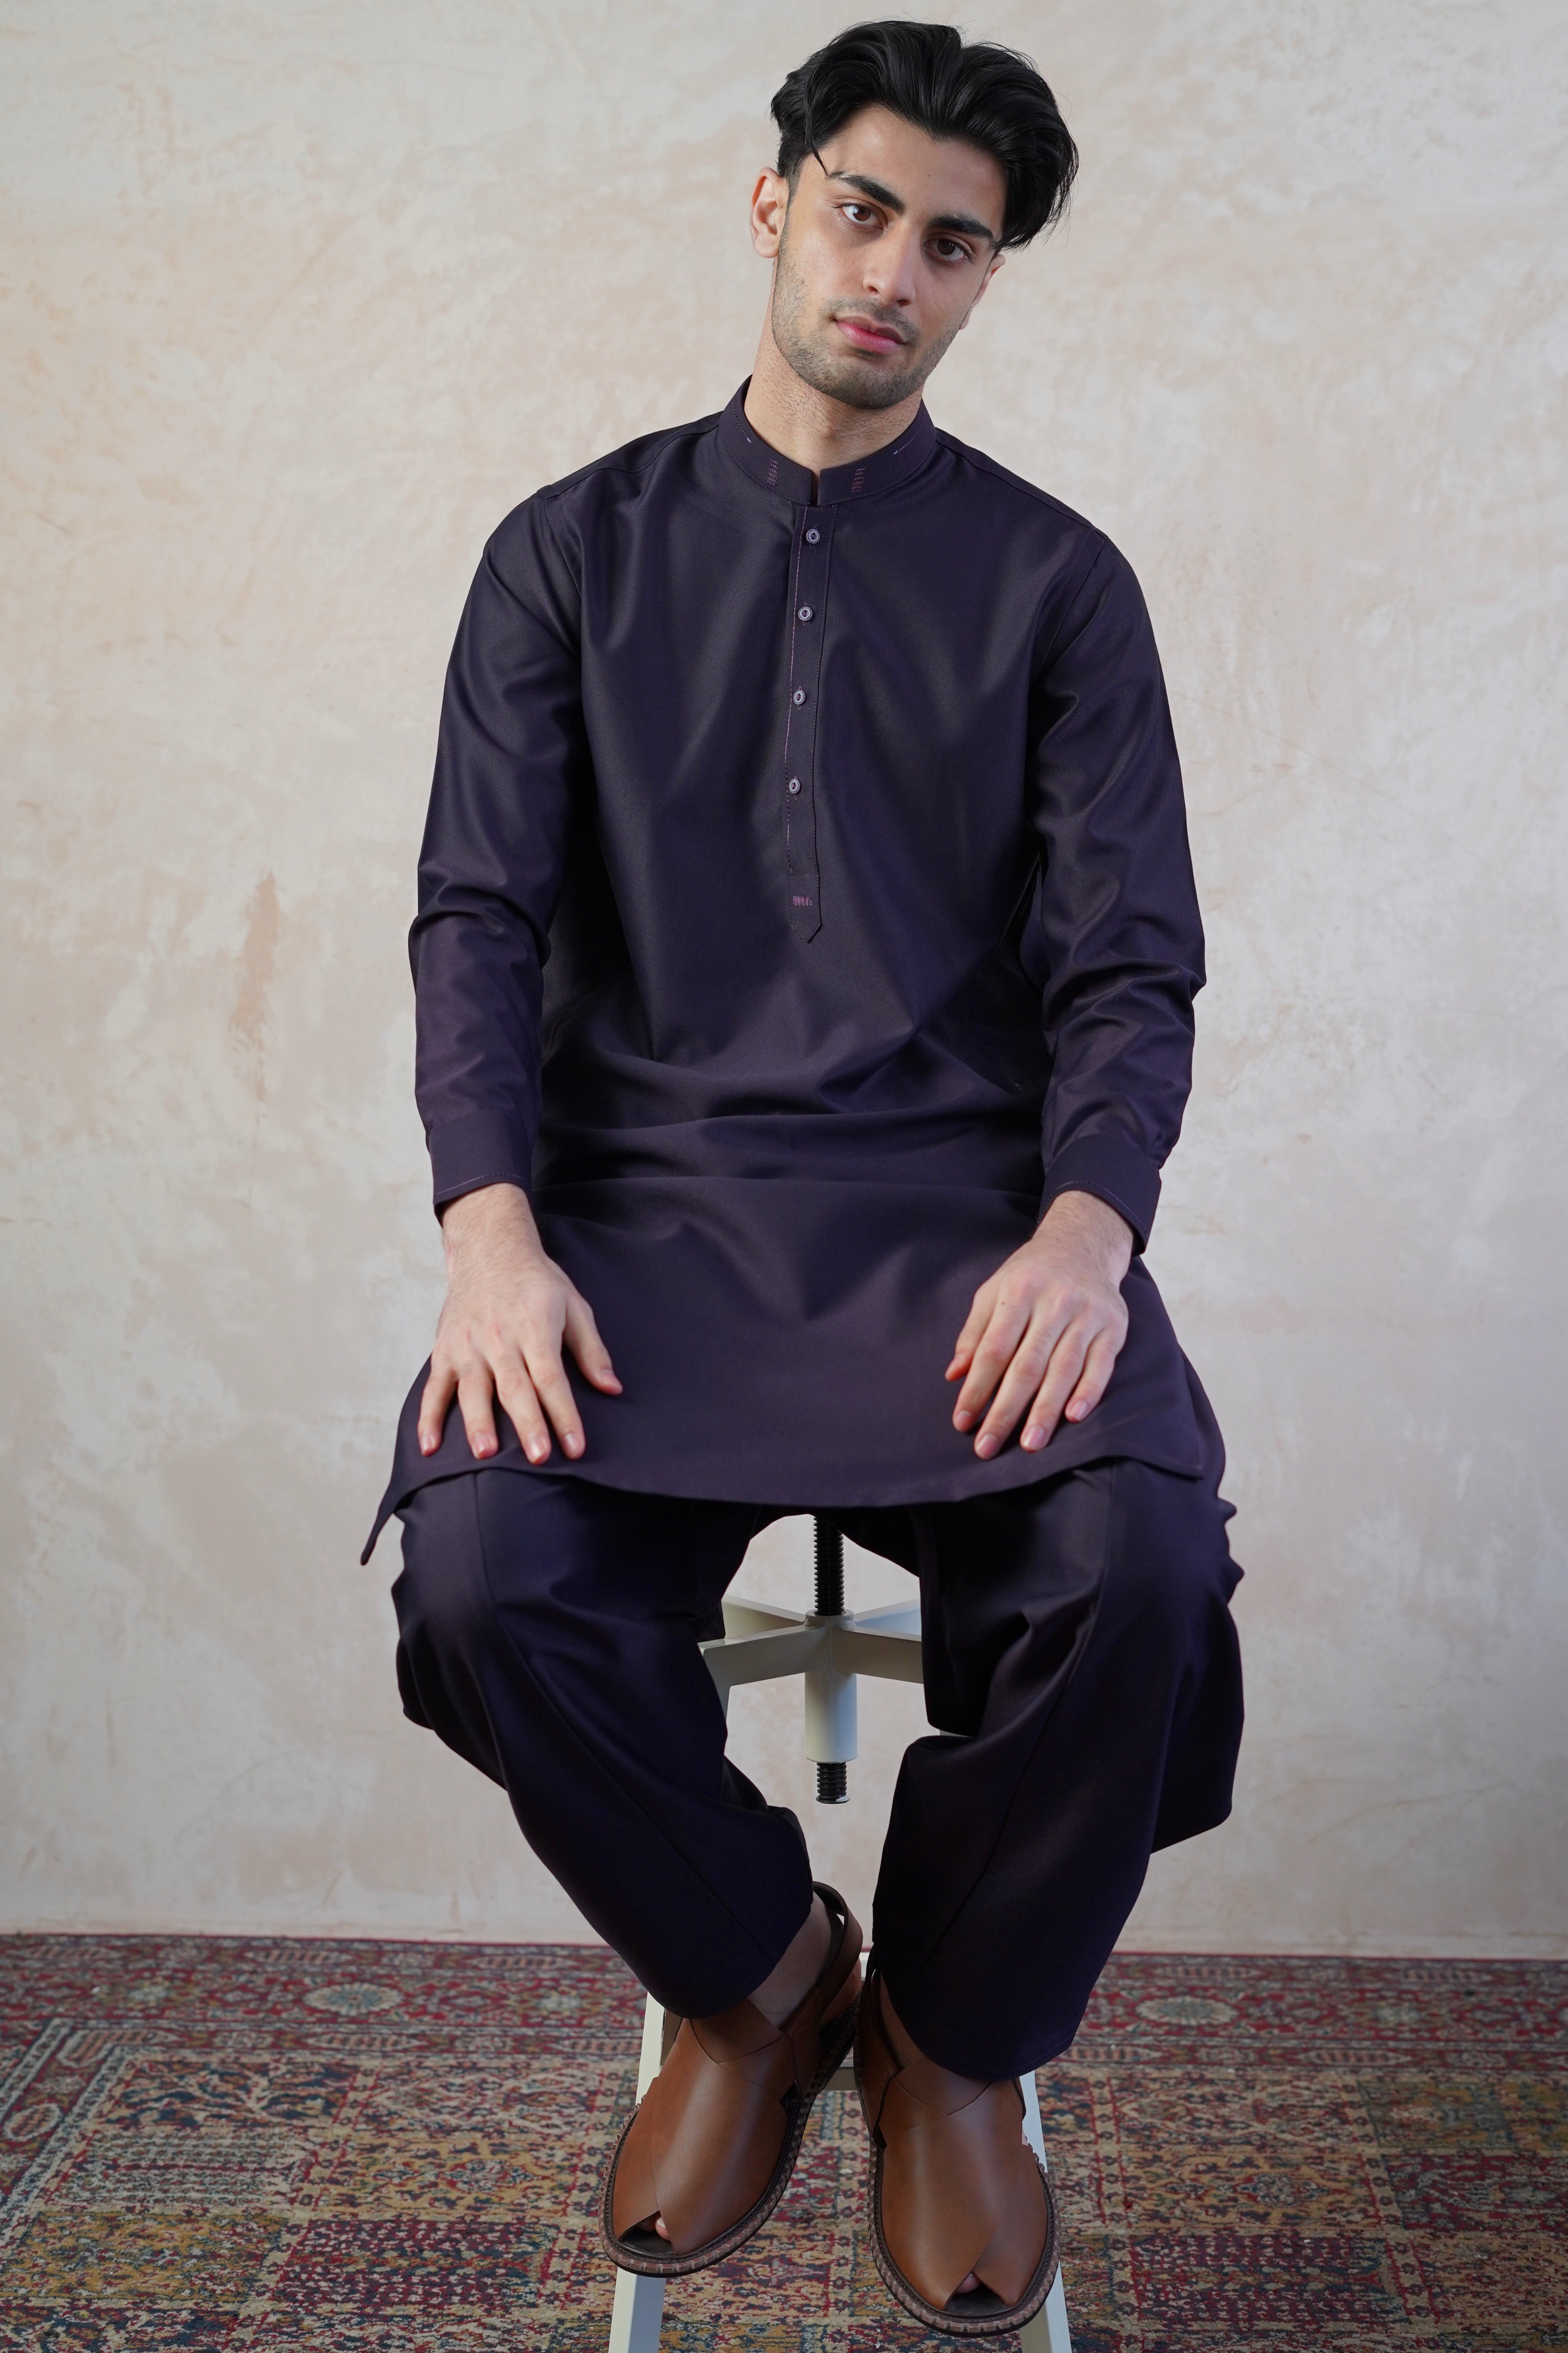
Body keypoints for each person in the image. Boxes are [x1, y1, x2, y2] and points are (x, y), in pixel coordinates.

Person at [365, 19, 1243, 2337]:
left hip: (972, 1228)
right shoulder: (567, 551)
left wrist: (1086, 1227)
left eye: (954, 245)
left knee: (1141, 1552)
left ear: (985, 281)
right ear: (776, 198)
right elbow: (478, 916)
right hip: (638, 1216)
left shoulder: (1061, 587)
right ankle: (765, 1974)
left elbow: (1132, 964)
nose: (897, 271)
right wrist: (489, 1234)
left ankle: (952, 2037)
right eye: (864, 209)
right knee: (481, 1564)